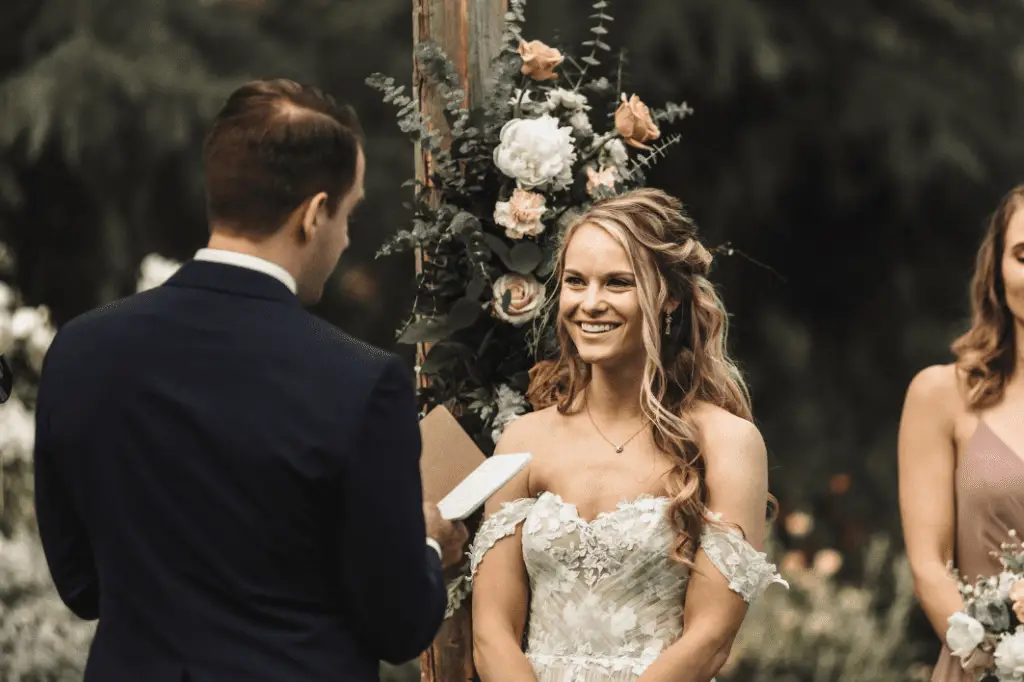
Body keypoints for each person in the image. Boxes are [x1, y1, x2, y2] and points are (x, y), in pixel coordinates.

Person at [33, 79, 467, 682]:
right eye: (349, 213)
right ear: (315, 215)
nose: (345, 237)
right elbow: (396, 623)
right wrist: (426, 548)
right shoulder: (359, 381)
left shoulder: (80, 349)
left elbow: (81, 585)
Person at [468, 188, 787, 682]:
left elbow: (710, 638)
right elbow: (492, 633)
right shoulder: (520, 440)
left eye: (618, 283)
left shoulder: (727, 443)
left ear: (669, 298)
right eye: (576, 282)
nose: (590, 304)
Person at [899, 184, 1024, 681]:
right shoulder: (939, 396)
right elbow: (929, 564)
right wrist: (994, 658)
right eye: (1023, 254)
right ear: (998, 269)